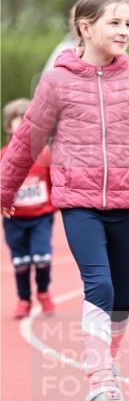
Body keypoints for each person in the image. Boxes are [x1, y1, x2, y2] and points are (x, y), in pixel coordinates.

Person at [0, 0, 129, 401]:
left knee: (124, 297)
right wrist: (5, 190)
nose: (124, 31)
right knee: (97, 285)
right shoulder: (57, 81)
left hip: (124, 202)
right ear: (86, 27)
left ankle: (107, 360)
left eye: (128, 24)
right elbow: (27, 140)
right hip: (77, 202)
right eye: (114, 22)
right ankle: (101, 383)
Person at [1, 99, 56, 318]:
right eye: (19, 121)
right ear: (8, 126)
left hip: (41, 216)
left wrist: (56, 203)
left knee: (42, 256)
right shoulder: (4, 155)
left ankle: (43, 291)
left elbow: (54, 181)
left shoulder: (44, 153)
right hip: (14, 219)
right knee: (21, 261)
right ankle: (24, 299)